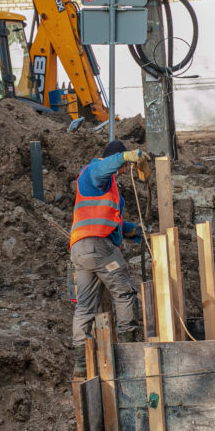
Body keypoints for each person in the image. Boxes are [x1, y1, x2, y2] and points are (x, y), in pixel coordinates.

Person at [70, 139, 147, 377]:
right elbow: (105, 167)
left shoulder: (107, 190)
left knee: (85, 306)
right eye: (123, 165)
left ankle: (81, 364)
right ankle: (128, 352)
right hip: (98, 247)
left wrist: (132, 230)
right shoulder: (94, 172)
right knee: (123, 292)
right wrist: (127, 157)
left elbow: (111, 222)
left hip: (81, 250)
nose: (124, 171)